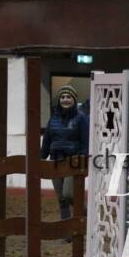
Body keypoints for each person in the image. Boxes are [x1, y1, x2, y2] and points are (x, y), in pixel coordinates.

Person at [40, 84, 89, 224]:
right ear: (59, 99)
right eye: (62, 97)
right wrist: (41, 157)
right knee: (61, 200)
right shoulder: (53, 119)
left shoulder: (81, 118)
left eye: (68, 97)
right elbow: (47, 140)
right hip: (55, 161)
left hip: (72, 162)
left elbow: (85, 141)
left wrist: (82, 159)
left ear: (74, 99)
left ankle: (89, 215)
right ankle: (66, 229)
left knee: (68, 195)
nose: (65, 99)